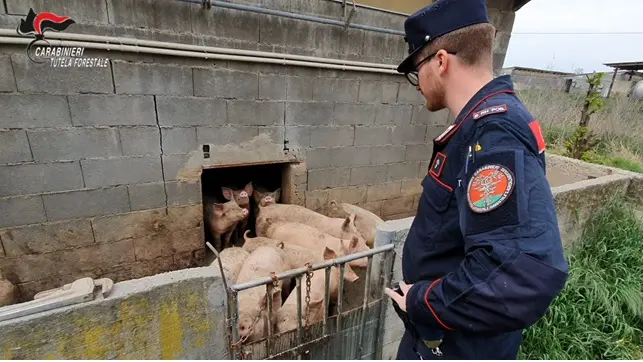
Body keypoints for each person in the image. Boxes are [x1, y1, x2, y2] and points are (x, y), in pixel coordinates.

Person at [383, 0, 570, 359]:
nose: (417, 83)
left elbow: (519, 276)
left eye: (415, 70)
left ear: (440, 61)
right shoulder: (479, 126)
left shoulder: (494, 132)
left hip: (458, 347)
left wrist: (422, 301)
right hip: (441, 338)